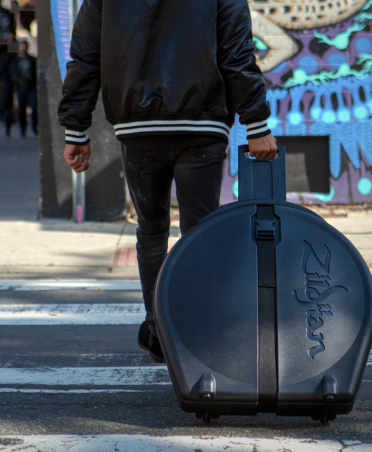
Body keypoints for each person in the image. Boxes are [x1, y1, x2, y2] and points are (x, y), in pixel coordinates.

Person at [58, 0, 277, 363]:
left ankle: (158, 329)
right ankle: (200, 328)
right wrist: (257, 124)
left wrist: (76, 129)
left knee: (151, 228)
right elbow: (237, 49)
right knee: (200, 231)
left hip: (137, 125)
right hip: (202, 124)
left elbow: (85, 55)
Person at [12, 40, 37, 137]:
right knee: (21, 110)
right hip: (21, 89)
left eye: (25, 46)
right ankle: (23, 130)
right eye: (22, 46)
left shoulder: (32, 60)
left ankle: (34, 128)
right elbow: (13, 74)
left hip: (31, 88)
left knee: (34, 108)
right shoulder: (16, 61)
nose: (23, 48)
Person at [0, 0, 15, 138]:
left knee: (7, 93)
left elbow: (13, 36)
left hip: (6, 58)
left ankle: (8, 126)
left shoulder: (7, 14)